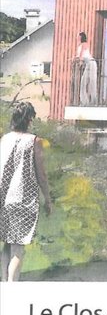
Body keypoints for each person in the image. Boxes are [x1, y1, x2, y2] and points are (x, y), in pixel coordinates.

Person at [0, 102, 52, 282]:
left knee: (7, 243)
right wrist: (48, 199)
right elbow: (41, 174)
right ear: (29, 118)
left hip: (3, 198)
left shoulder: (5, 139)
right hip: (23, 199)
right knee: (18, 248)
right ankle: (12, 288)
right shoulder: (34, 141)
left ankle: (4, 285)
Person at [76, 31, 97, 105]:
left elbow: (82, 53)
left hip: (91, 63)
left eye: (79, 36)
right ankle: (85, 101)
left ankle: (93, 101)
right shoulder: (80, 45)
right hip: (87, 64)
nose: (77, 38)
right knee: (83, 82)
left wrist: (80, 61)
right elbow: (79, 55)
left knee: (92, 82)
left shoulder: (84, 44)